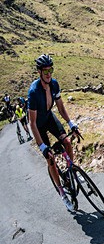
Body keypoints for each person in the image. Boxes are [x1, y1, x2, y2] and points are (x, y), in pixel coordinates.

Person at [28, 54, 83, 212]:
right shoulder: (33, 92)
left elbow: (60, 107)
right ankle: (62, 193)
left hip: (49, 117)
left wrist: (71, 123)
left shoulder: (54, 84)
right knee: (50, 158)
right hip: (38, 125)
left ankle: (71, 173)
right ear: (39, 72)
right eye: (45, 71)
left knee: (67, 142)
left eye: (50, 70)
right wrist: (42, 147)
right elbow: (32, 123)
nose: (48, 74)